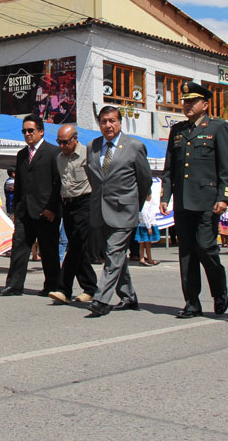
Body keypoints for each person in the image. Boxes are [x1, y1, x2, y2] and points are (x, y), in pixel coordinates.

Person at [160, 81, 228, 319]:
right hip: (183, 200)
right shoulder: (178, 130)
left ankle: (219, 289)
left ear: (205, 104)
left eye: (192, 101)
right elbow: (169, 167)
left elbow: (226, 167)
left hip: (207, 201)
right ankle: (192, 302)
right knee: (187, 253)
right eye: (185, 101)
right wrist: (165, 196)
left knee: (206, 248)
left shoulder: (218, 127)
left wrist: (224, 197)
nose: (187, 105)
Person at [84, 106, 153, 316]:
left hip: (124, 209)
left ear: (120, 122)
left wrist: (134, 204)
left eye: (112, 121)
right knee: (116, 256)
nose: (108, 125)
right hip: (101, 209)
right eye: (104, 121)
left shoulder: (134, 146)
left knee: (113, 252)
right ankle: (128, 296)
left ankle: (101, 299)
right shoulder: (92, 146)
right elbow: (94, 177)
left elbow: (144, 180)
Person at [0, 114, 62, 297]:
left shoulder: (53, 152)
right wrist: (16, 209)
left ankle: (52, 285)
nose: (27, 134)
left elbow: (58, 183)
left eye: (30, 130)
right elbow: (19, 185)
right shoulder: (22, 154)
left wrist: (53, 208)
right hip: (24, 211)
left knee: (48, 250)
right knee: (19, 248)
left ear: (41, 131)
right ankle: (14, 285)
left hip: (45, 211)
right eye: (24, 131)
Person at [48, 125, 98, 305]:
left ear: (75, 139)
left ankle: (63, 289)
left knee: (75, 245)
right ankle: (90, 287)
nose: (62, 145)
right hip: (67, 204)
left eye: (65, 142)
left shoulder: (88, 154)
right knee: (78, 248)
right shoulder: (59, 158)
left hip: (85, 202)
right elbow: (58, 183)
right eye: (59, 142)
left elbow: (97, 180)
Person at [137, 180, 162, 266]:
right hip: (145, 226)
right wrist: (149, 227)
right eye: (150, 195)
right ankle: (144, 258)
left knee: (145, 243)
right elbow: (144, 215)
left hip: (145, 225)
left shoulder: (146, 204)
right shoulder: (145, 205)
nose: (151, 197)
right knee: (144, 243)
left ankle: (146, 258)